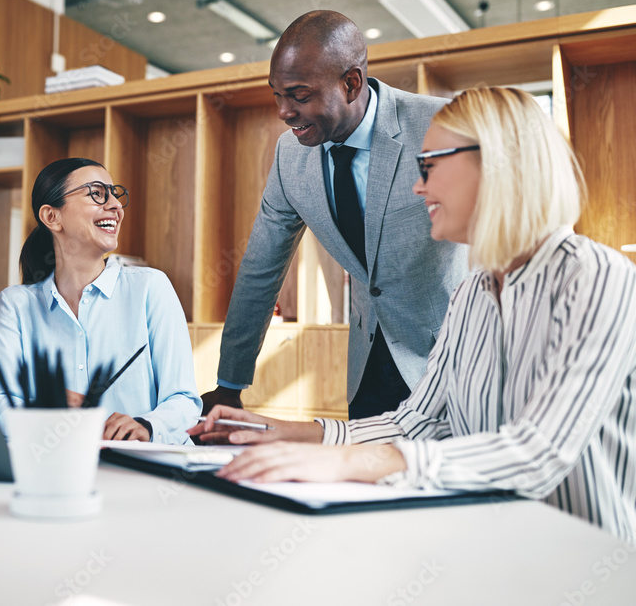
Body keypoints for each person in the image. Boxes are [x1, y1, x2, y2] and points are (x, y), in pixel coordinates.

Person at [191, 87, 636, 542]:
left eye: (430, 165)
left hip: (589, 557)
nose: (417, 186)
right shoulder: (470, 296)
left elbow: (539, 451)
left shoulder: (598, 278)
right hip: (495, 547)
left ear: (496, 162)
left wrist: (350, 461)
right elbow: (417, 422)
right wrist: (285, 431)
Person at [203, 10, 469, 419]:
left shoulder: (441, 124)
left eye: (300, 94)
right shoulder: (289, 156)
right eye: (277, 94)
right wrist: (229, 384)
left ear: (350, 83)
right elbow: (261, 266)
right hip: (367, 369)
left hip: (453, 360)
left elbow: (503, 232)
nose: (283, 111)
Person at [0, 157, 202, 444]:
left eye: (115, 194)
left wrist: (145, 425)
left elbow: (184, 400)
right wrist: (50, 413)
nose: (115, 205)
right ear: (52, 216)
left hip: (143, 467)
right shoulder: (16, 304)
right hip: (57, 462)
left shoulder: (151, 287)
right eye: (97, 193)